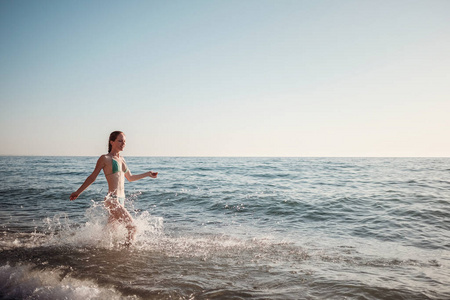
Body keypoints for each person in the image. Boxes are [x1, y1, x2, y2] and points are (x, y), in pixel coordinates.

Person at [70, 131, 158, 246]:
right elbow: (92, 177)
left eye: (124, 141)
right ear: (112, 142)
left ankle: (90, 246)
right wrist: (78, 192)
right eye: (120, 141)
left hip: (121, 200)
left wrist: (148, 174)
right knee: (133, 228)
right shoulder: (105, 158)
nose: (123, 143)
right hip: (112, 200)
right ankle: (127, 254)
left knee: (110, 232)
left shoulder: (122, 159)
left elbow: (130, 178)